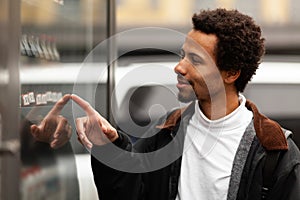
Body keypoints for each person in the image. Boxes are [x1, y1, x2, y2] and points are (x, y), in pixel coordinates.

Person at [71, 8, 300, 200]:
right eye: (183, 55)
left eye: (196, 60)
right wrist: (111, 145)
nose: (179, 67)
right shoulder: (165, 132)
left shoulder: (276, 153)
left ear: (231, 74)